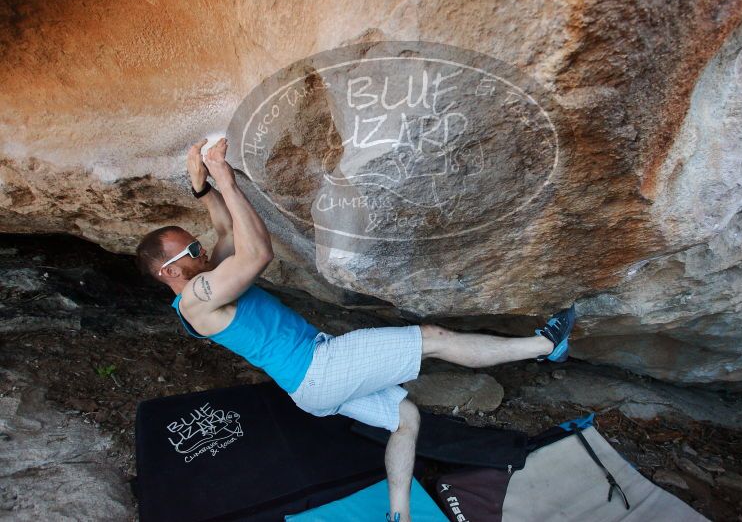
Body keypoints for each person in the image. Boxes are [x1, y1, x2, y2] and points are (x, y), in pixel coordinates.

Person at [135, 137, 577, 522]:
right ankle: (545, 344)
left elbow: (227, 227)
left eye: (195, 243)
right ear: (168, 272)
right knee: (435, 340)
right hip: (320, 368)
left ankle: (398, 514)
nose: (201, 248)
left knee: (406, 418)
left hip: (312, 386)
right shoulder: (195, 300)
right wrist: (227, 182)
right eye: (190, 249)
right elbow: (256, 255)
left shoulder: (203, 283)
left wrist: (203, 187)